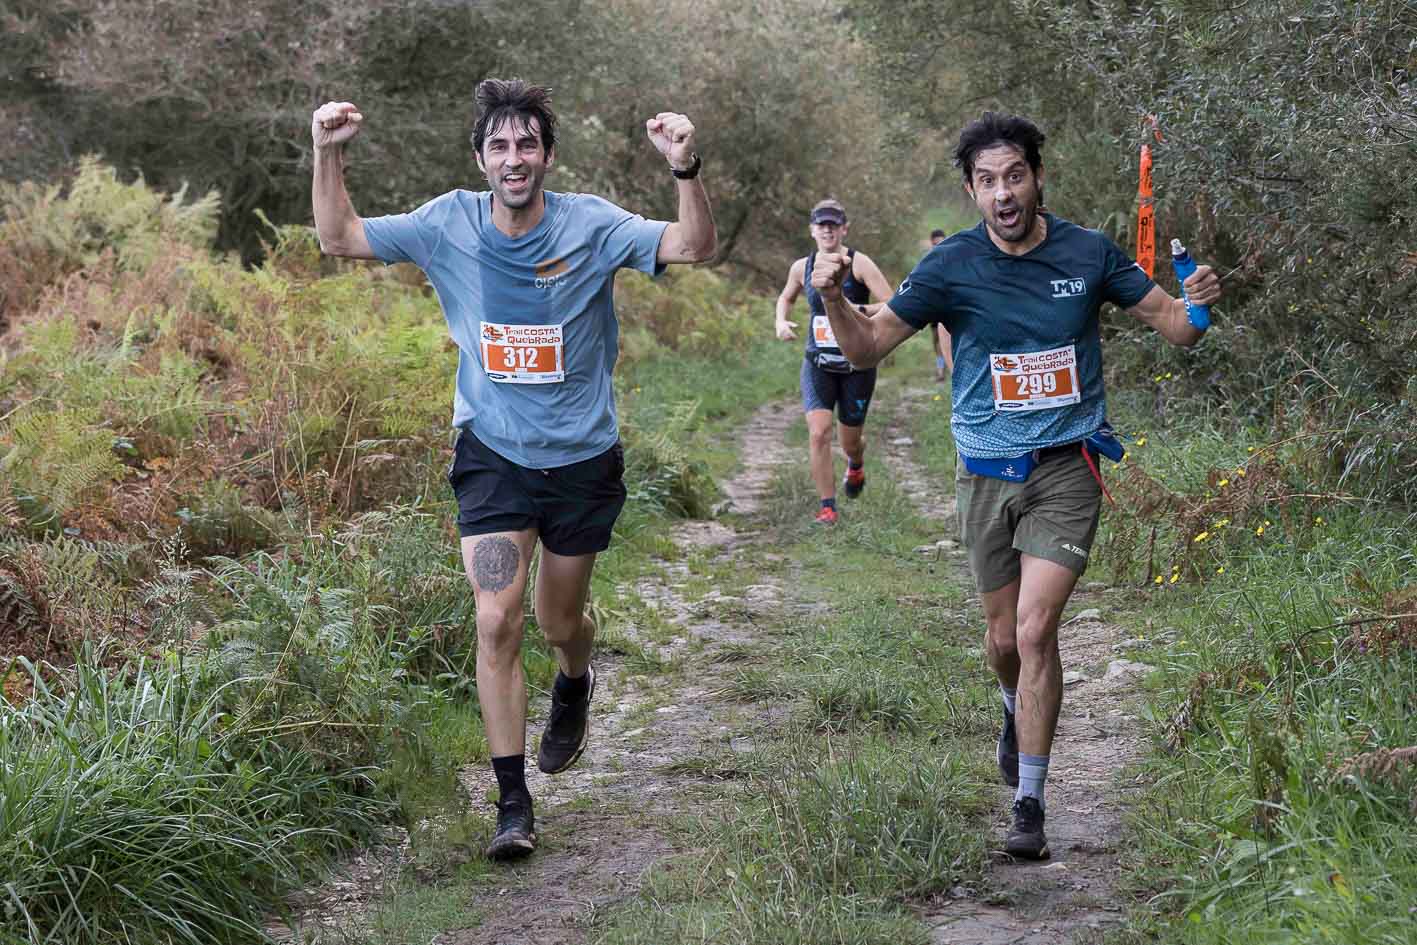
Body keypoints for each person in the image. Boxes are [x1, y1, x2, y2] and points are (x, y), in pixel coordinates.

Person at [310, 78, 716, 860]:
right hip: (492, 455)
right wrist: (326, 154)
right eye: (498, 145)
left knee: (559, 621)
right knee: (495, 616)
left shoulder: (590, 225)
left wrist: (685, 169)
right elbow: (340, 238)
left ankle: (574, 677)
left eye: (526, 143)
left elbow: (694, 247)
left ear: (547, 156)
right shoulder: (446, 225)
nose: (513, 157)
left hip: (581, 461)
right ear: (480, 158)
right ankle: (511, 799)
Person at [809, 112, 1220, 859]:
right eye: (987, 182)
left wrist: (1198, 301)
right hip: (984, 473)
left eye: (1015, 176)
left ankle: (1029, 802)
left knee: (1035, 631)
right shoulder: (948, 267)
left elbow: (1176, 326)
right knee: (1002, 640)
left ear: (1037, 178)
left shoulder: (1087, 252)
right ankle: (1012, 706)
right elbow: (866, 345)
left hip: (1067, 465)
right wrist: (833, 297)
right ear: (970, 191)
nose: (1003, 193)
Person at [773, 199, 895, 525]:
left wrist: (857, 312)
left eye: (833, 224)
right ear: (812, 230)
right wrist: (781, 322)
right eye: (821, 225)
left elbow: (892, 302)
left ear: (844, 229)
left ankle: (855, 463)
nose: (827, 230)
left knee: (849, 441)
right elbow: (786, 296)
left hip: (857, 366)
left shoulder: (859, 264)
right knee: (818, 432)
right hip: (818, 364)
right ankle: (828, 506)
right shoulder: (802, 267)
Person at [927, 229, 954, 381]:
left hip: (951, 305)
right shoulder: (928, 262)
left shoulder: (952, 258)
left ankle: (951, 369)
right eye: (936, 243)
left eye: (941, 242)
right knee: (937, 341)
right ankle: (940, 371)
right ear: (931, 244)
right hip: (936, 306)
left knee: (952, 339)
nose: (939, 246)